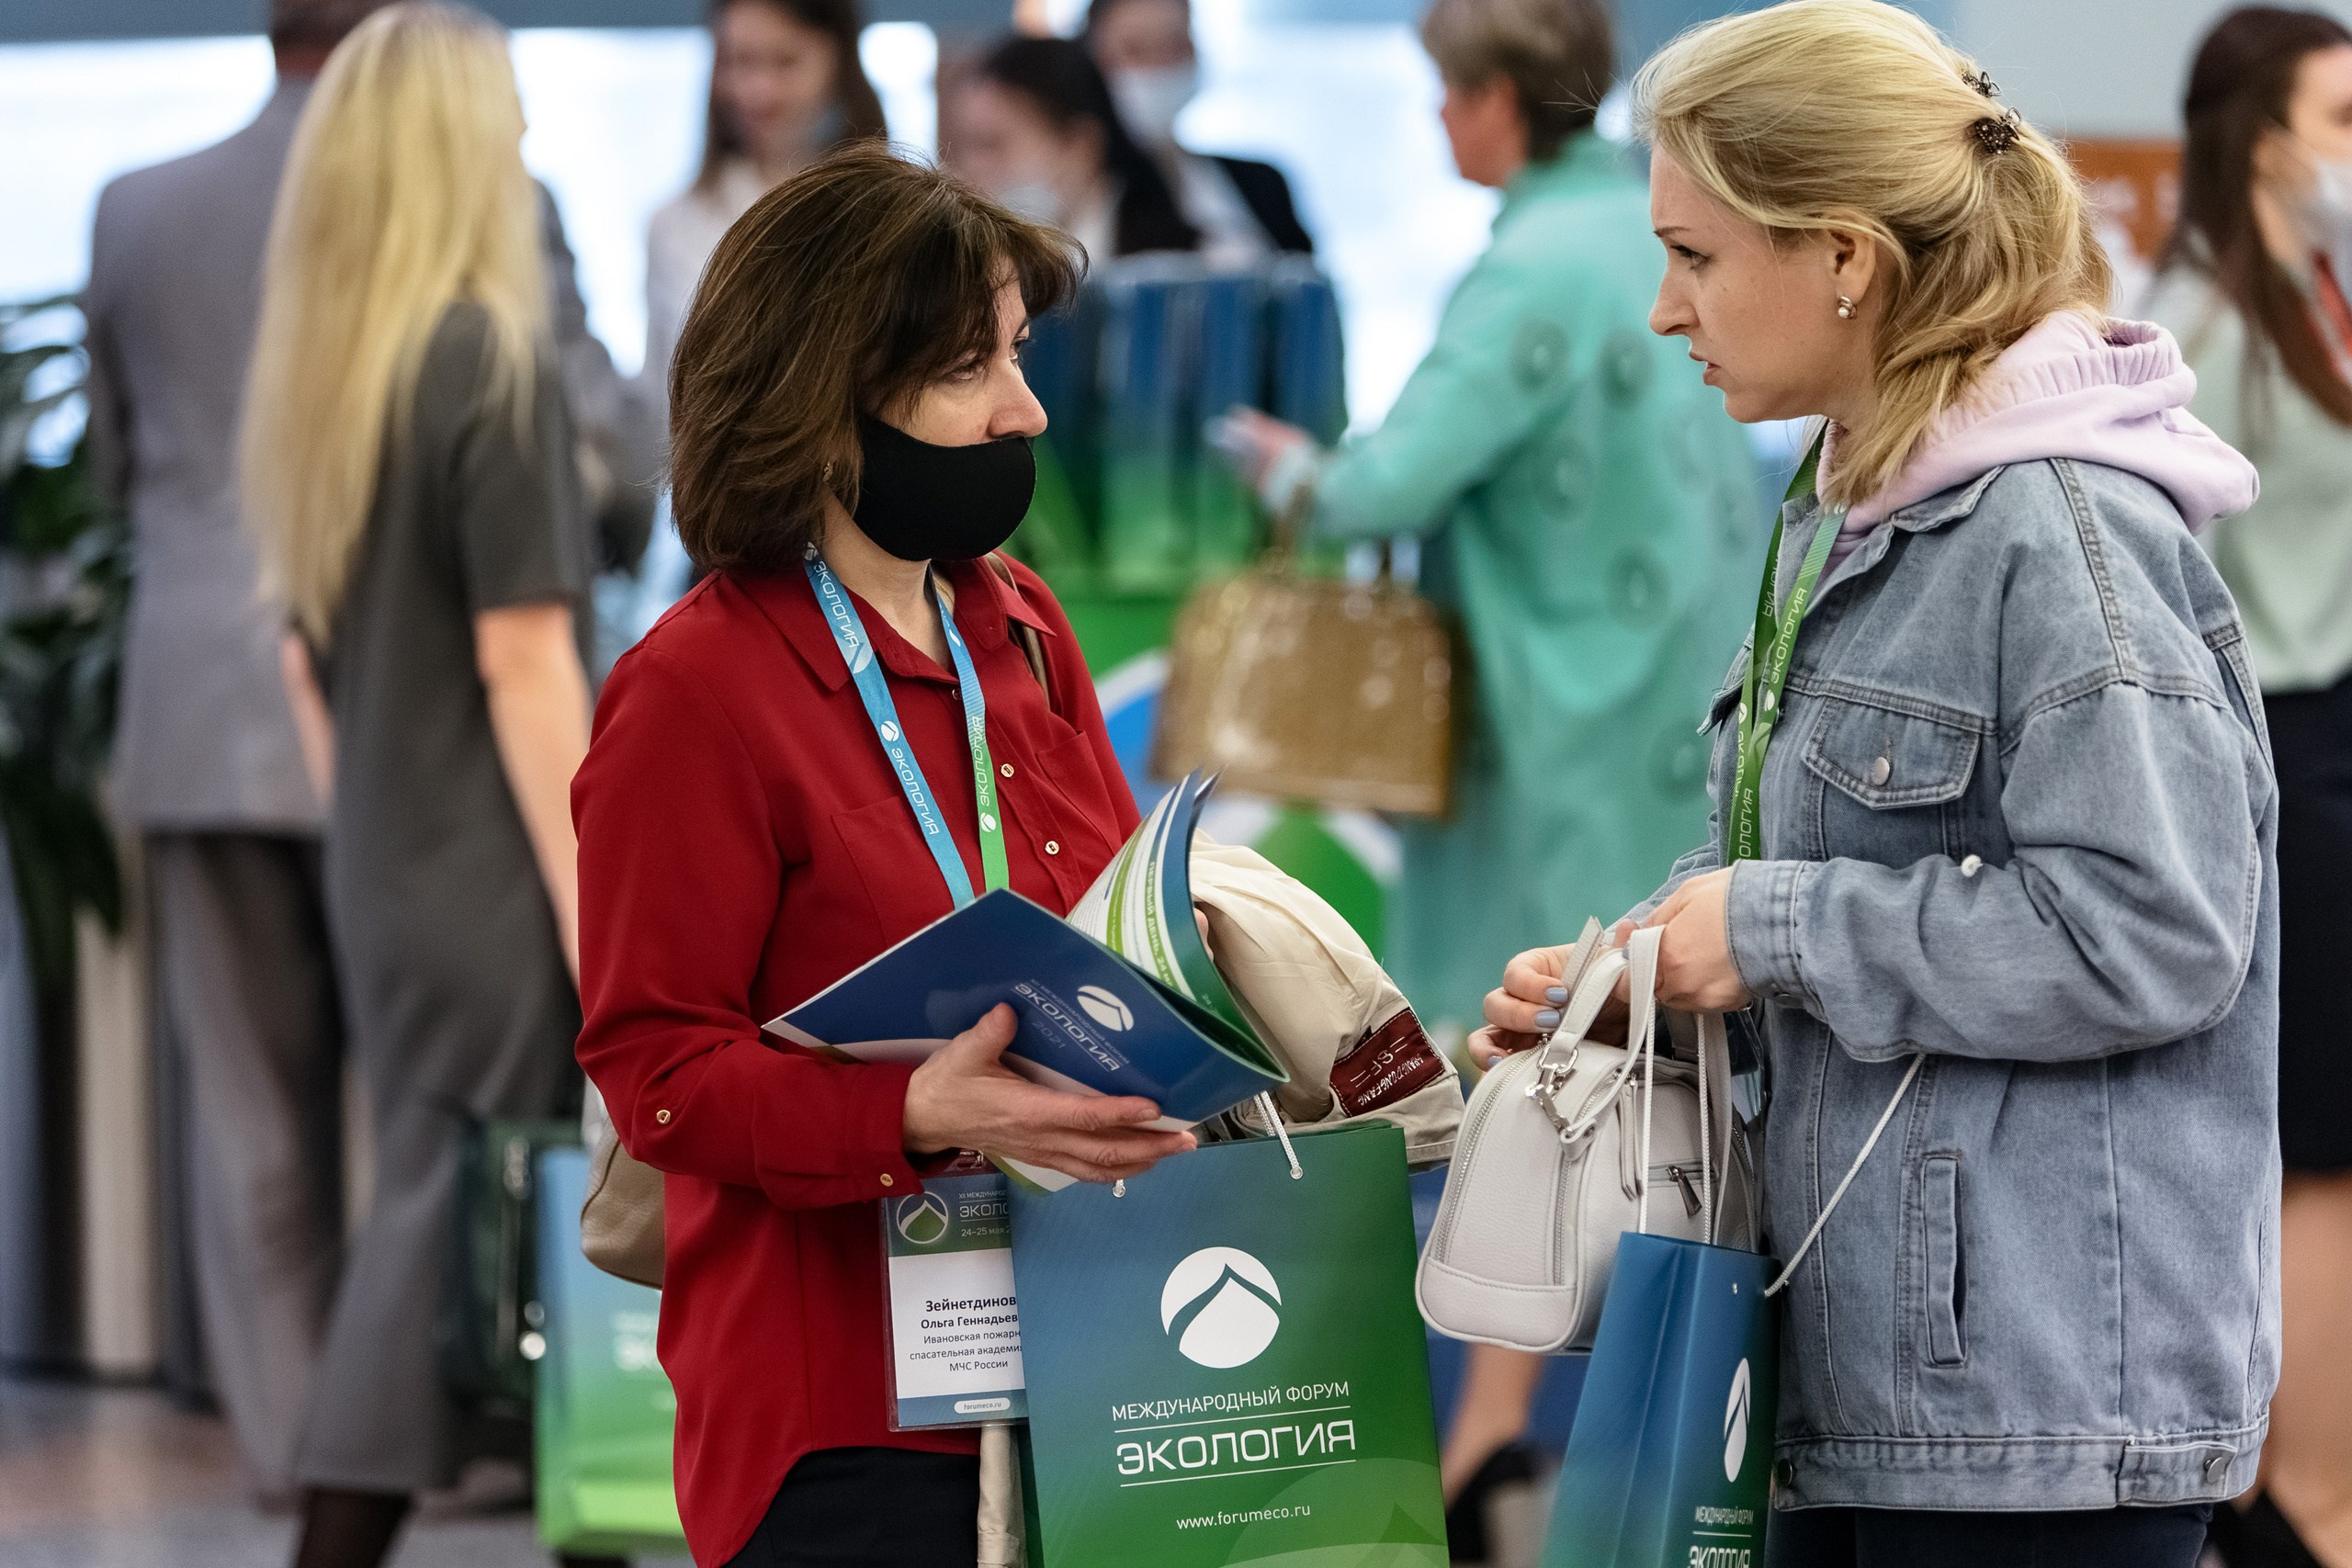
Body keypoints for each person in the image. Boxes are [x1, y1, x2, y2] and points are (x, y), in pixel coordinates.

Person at [1476, 3, 2277, 1563]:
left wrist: (1762, 934)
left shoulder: (2063, 535)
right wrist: (1648, 964)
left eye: (1695, 256)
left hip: (2037, 1424)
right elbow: (1844, 851)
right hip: (1859, 1388)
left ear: (1844, 257)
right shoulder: (1846, 501)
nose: (1660, 309)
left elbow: (2158, 931)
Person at [571, 144, 1196, 1568]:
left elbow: (1106, 930)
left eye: (1019, 353)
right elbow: (656, 1074)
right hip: (841, 1419)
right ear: (831, 395)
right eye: (974, 366)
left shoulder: (1020, 626)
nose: (1025, 407)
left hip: (1092, 1361)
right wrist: (912, 1109)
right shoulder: (696, 689)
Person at [1212, 0, 1755, 1525]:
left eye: (1447, 94)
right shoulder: (1649, 234)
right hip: (1678, 701)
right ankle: (1582, 1434)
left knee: (1528, 1068)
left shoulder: (1526, 264)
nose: (1438, 124)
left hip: (1555, 730)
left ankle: (1484, 1443)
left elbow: (1397, 471)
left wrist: (1283, 467)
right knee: (1660, 1076)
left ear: (1497, 100)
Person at [239, 7, 604, 1565]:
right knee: (449, 1220)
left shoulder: (337, 370)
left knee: (461, 1206)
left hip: (393, 858)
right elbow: (527, 665)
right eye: (506, 115)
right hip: (492, 872)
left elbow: (305, 662)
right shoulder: (486, 357)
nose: (524, 141)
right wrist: (613, 912)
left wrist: (377, 840)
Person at [79, 0, 381, 1502]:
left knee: (253, 1106)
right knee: (424, 1094)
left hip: (199, 690)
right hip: (390, 697)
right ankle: (418, 1434)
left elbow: (120, 465)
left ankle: (293, 1448)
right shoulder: (443, 191)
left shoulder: (137, 208)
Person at [2145, 11, 2352, 1565]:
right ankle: (2298, 1497)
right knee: (2318, 1149)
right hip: (2288, 754)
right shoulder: (2199, 326)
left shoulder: (2314, 301)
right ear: (2264, 133)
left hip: (2339, 737)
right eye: (2340, 114)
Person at [641, 0, 886, 402]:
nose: (758, 91)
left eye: (785, 62)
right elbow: (662, 398)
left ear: (839, 62)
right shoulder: (674, 225)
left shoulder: (890, 213)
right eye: (740, 61)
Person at [1083, 0, 1314, 263]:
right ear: (1091, 60)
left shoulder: (1262, 184)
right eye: (1135, 49)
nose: (1158, 66)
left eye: (1175, 46)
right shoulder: (1077, 198)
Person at [945, 35, 1197, 259]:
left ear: (1081, 147)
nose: (970, 169)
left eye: (991, 145)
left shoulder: (1187, 268)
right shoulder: (960, 270)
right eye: (964, 146)